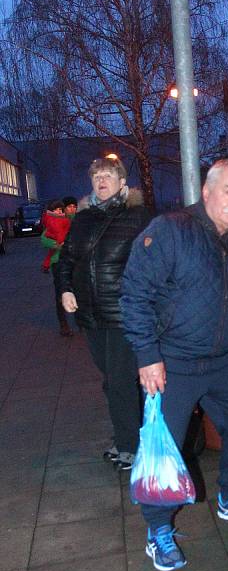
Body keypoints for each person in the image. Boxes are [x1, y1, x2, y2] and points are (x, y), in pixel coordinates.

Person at [120, 157, 228, 571]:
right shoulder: (171, 230)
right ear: (207, 192)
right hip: (170, 362)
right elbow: (134, 295)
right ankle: (158, 530)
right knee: (164, 449)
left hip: (225, 359)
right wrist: (147, 356)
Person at [57, 157, 152, 470]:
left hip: (124, 312)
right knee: (111, 379)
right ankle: (129, 435)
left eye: (108, 175)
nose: (101, 180)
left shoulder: (138, 216)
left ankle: (130, 445)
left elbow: (156, 261)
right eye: (96, 175)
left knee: (121, 380)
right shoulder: (83, 220)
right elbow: (66, 260)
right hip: (91, 314)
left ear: (122, 183)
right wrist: (66, 289)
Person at [41, 199, 75, 336]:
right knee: (61, 293)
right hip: (58, 261)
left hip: (73, 260)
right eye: (69, 207)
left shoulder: (73, 221)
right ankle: (64, 324)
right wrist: (57, 245)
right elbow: (44, 239)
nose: (72, 209)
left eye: (74, 206)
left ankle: (80, 320)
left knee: (78, 290)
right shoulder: (51, 221)